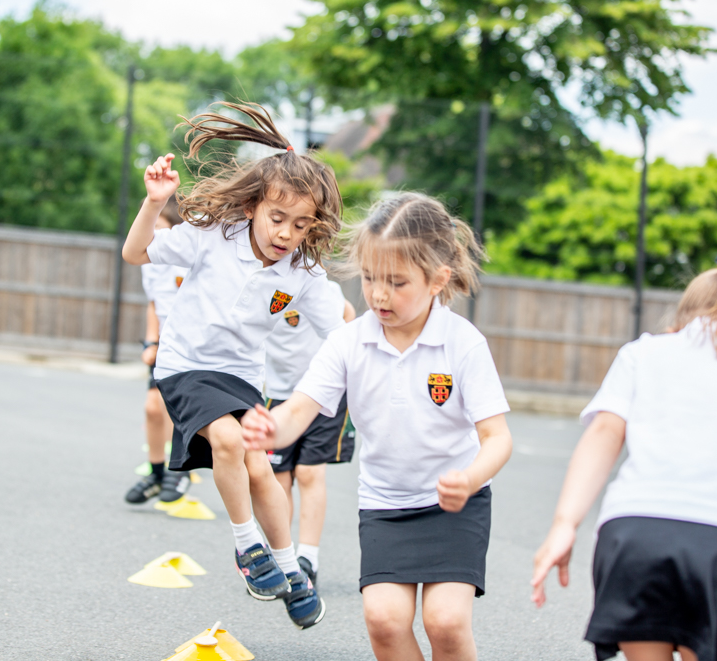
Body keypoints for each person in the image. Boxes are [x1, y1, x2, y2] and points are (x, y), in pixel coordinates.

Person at [243, 192, 514, 660]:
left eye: (397, 282)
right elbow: (299, 409)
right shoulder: (349, 342)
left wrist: (469, 479)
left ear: (437, 280)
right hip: (386, 504)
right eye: (370, 278)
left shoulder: (462, 343)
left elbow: (497, 438)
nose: (379, 294)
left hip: (455, 505)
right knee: (385, 622)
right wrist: (272, 429)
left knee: (445, 623)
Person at [121, 102, 347, 629]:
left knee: (259, 467)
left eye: (300, 224)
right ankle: (248, 547)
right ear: (253, 207)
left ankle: (291, 569)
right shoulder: (210, 238)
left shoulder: (303, 275)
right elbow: (136, 253)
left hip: (243, 377)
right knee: (227, 442)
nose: (286, 233)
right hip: (184, 366)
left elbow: (340, 337)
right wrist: (155, 203)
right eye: (277, 217)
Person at [531, 237, 717, 661]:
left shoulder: (644, 353)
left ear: (683, 314)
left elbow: (603, 433)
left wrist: (565, 524)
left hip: (633, 532)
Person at [264, 280, 356, 588]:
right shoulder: (260, 284)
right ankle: (282, 554)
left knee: (308, 473)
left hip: (322, 394)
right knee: (279, 478)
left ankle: (308, 557)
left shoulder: (323, 288)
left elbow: (348, 313)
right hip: (277, 393)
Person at [125, 196, 192, 505]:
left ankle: (182, 469)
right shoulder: (149, 262)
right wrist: (152, 340)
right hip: (166, 344)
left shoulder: (187, 256)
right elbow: (154, 303)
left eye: (158, 227)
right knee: (154, 408)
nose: (151, 234)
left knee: (184, 411)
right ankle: (156, 473)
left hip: (193, 345)